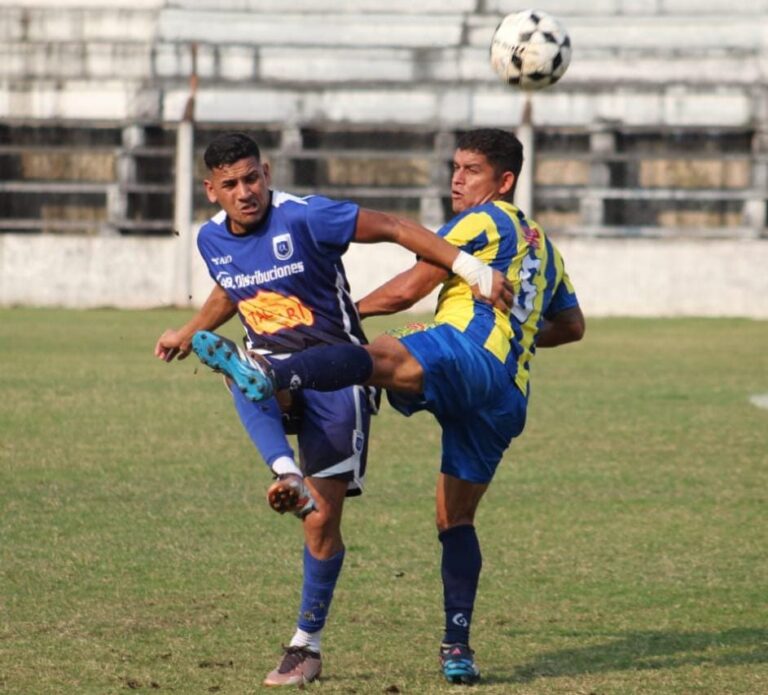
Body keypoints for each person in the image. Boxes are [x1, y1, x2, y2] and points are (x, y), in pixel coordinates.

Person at [190, 128, 586, 686]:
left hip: (468, 350)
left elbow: (408, 288)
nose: (456, 179)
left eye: (470, 170)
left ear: (504, 182)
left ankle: (272, 372)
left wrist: (344, 312)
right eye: (455, 167)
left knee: (370, 355)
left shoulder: (483, 220)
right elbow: (572, 327)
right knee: (455, 520)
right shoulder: (547, 246)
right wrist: (517, 333)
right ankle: (457, 649)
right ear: (215, 189)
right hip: (508, 395)